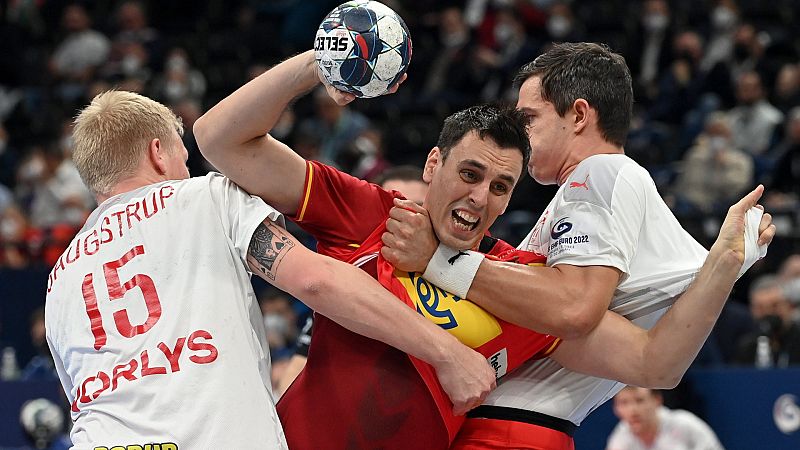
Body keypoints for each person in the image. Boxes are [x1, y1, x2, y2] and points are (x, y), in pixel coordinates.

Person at [195, 49, 774, 449]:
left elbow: (653, 362)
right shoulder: (375, 214)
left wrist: (721, 265)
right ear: (432, 166)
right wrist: (319, 64)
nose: (481, 197)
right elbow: (219, 139)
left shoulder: (516, 284)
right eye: (469, 174)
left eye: (501, 187)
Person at [44, 90, 498, 449]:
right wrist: (447, 352)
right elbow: (316, 280)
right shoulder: (204, 197)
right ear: (159, 152)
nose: (186, 165)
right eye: (183, 155)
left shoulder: (60, 276)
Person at [379, 42, 774, 449]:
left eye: (529, 118)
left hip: (507, 426)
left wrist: (437, 260)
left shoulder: (598, 173)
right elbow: (655, 365)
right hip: (528, 429)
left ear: (580, 115)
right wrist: (722, 266)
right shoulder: (601, 189)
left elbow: (574, 309)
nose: (520, 134)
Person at [274, 164, 430, 397]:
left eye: (417, 210)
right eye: (393, 209)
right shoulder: (344, 292)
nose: (406, 224)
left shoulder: (454, 289)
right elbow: (294, 378)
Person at [607, 387, 724, 450]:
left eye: (640, 401)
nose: (633, 410)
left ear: (657, 400)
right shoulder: (621, 435)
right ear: (615, 408)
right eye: (623, 403)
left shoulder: (685, 424)